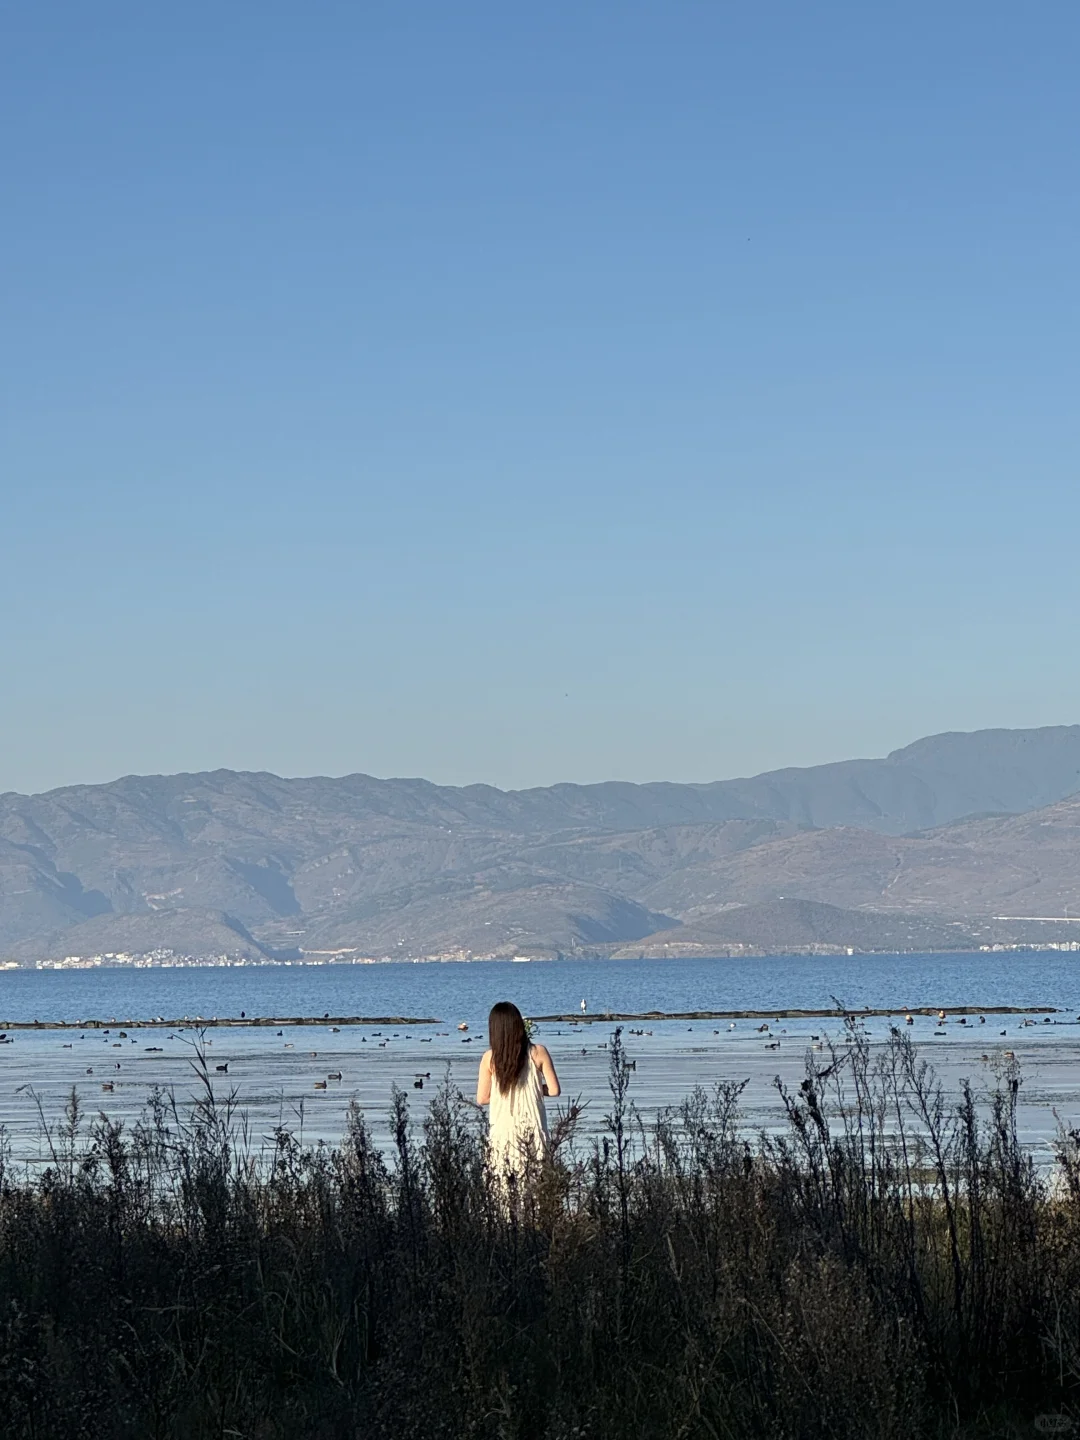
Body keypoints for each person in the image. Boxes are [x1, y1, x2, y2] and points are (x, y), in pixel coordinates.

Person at [476, 1001, 560, 1184]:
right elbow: (554, 1090)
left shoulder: (489, 1059)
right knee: (535, 1191)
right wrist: (534, 1087)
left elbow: (482, 1098)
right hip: (533, 1133)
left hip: (502, 1135)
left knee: (503, 1192)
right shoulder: (538, 1052)